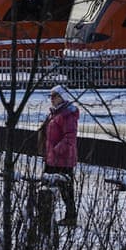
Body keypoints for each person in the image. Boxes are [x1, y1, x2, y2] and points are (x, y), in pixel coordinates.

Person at [42, 84, 79, 227]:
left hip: (63, 159)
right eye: (50, 96)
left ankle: (70, 217)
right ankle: (45, 215)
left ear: (62, 97)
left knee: (66, 190)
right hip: (52, 158)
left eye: (54, 96)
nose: (51, 99)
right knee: (46, 186)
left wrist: (57, 151)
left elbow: (70, 137)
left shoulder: (67, 115)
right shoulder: (55, 113)